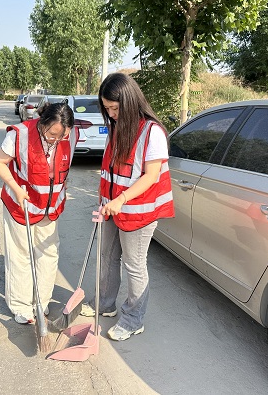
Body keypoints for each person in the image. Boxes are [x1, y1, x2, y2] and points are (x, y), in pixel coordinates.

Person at [81, 73, 174, 341]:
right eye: (107, 109)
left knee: (134, 265)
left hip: (138, 212)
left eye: (115, 108)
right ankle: (105, 303)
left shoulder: (151, 132)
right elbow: (111, 171)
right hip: (111, 207)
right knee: (107, 257)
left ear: (131, 101)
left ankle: (133, 319)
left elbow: (150, 176)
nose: (111, 114)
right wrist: (105, 202)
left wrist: (121, 199)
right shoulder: (116, 126)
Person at [0, 102, 79, 324]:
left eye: (63, 136)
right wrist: (15, 188)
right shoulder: (20, 135)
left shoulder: (71, 135)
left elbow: (64, 166)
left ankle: (41, 302)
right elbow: (0, 162)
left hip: (50, 208)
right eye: (52, 135)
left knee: (48, 255)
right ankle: (21, 306)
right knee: (21, 255)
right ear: (42, 124)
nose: (57, 140)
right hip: (21, 204)